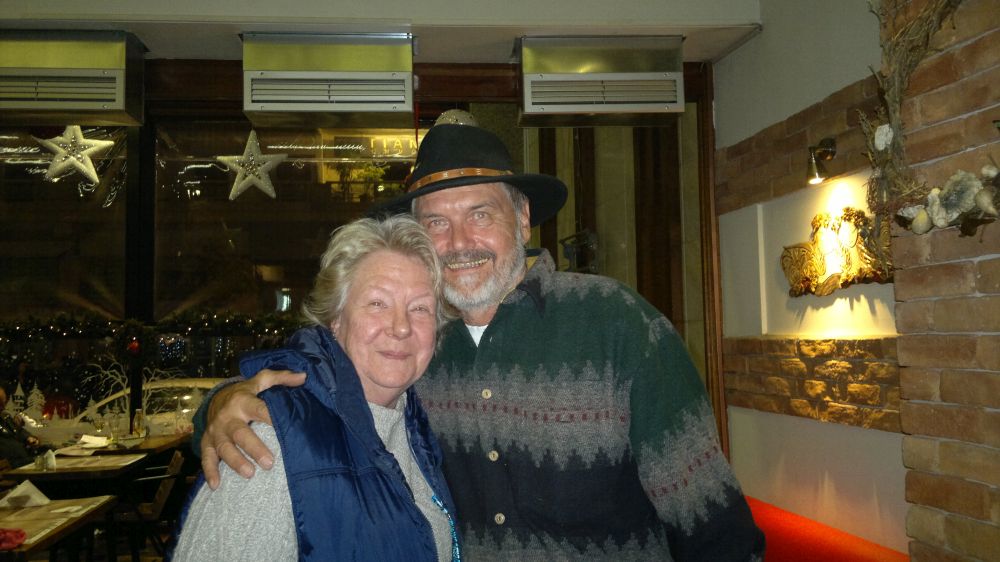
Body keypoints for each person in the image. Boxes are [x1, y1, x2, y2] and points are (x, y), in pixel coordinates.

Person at [196, 123, 766, 560]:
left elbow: (716, 531)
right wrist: (222, 405)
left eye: (480, 214)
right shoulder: (414, 343)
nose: (458, 242)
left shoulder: (618, 326)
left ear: (522, 219)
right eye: (436, 224)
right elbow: (318, 372)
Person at [173, 216, 459, 562]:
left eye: (420, 308)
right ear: (335, 320)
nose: (401, 327)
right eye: (377, 303)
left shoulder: (414, 427)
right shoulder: (273, 441)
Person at [0, 387, 44, 468]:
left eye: (4, 402)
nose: (3, 407)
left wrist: (29, 438)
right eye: (0, 404)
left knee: (50, 450)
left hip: (23, 460)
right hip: (13, 465)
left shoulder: (5, 417)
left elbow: (19, 431)